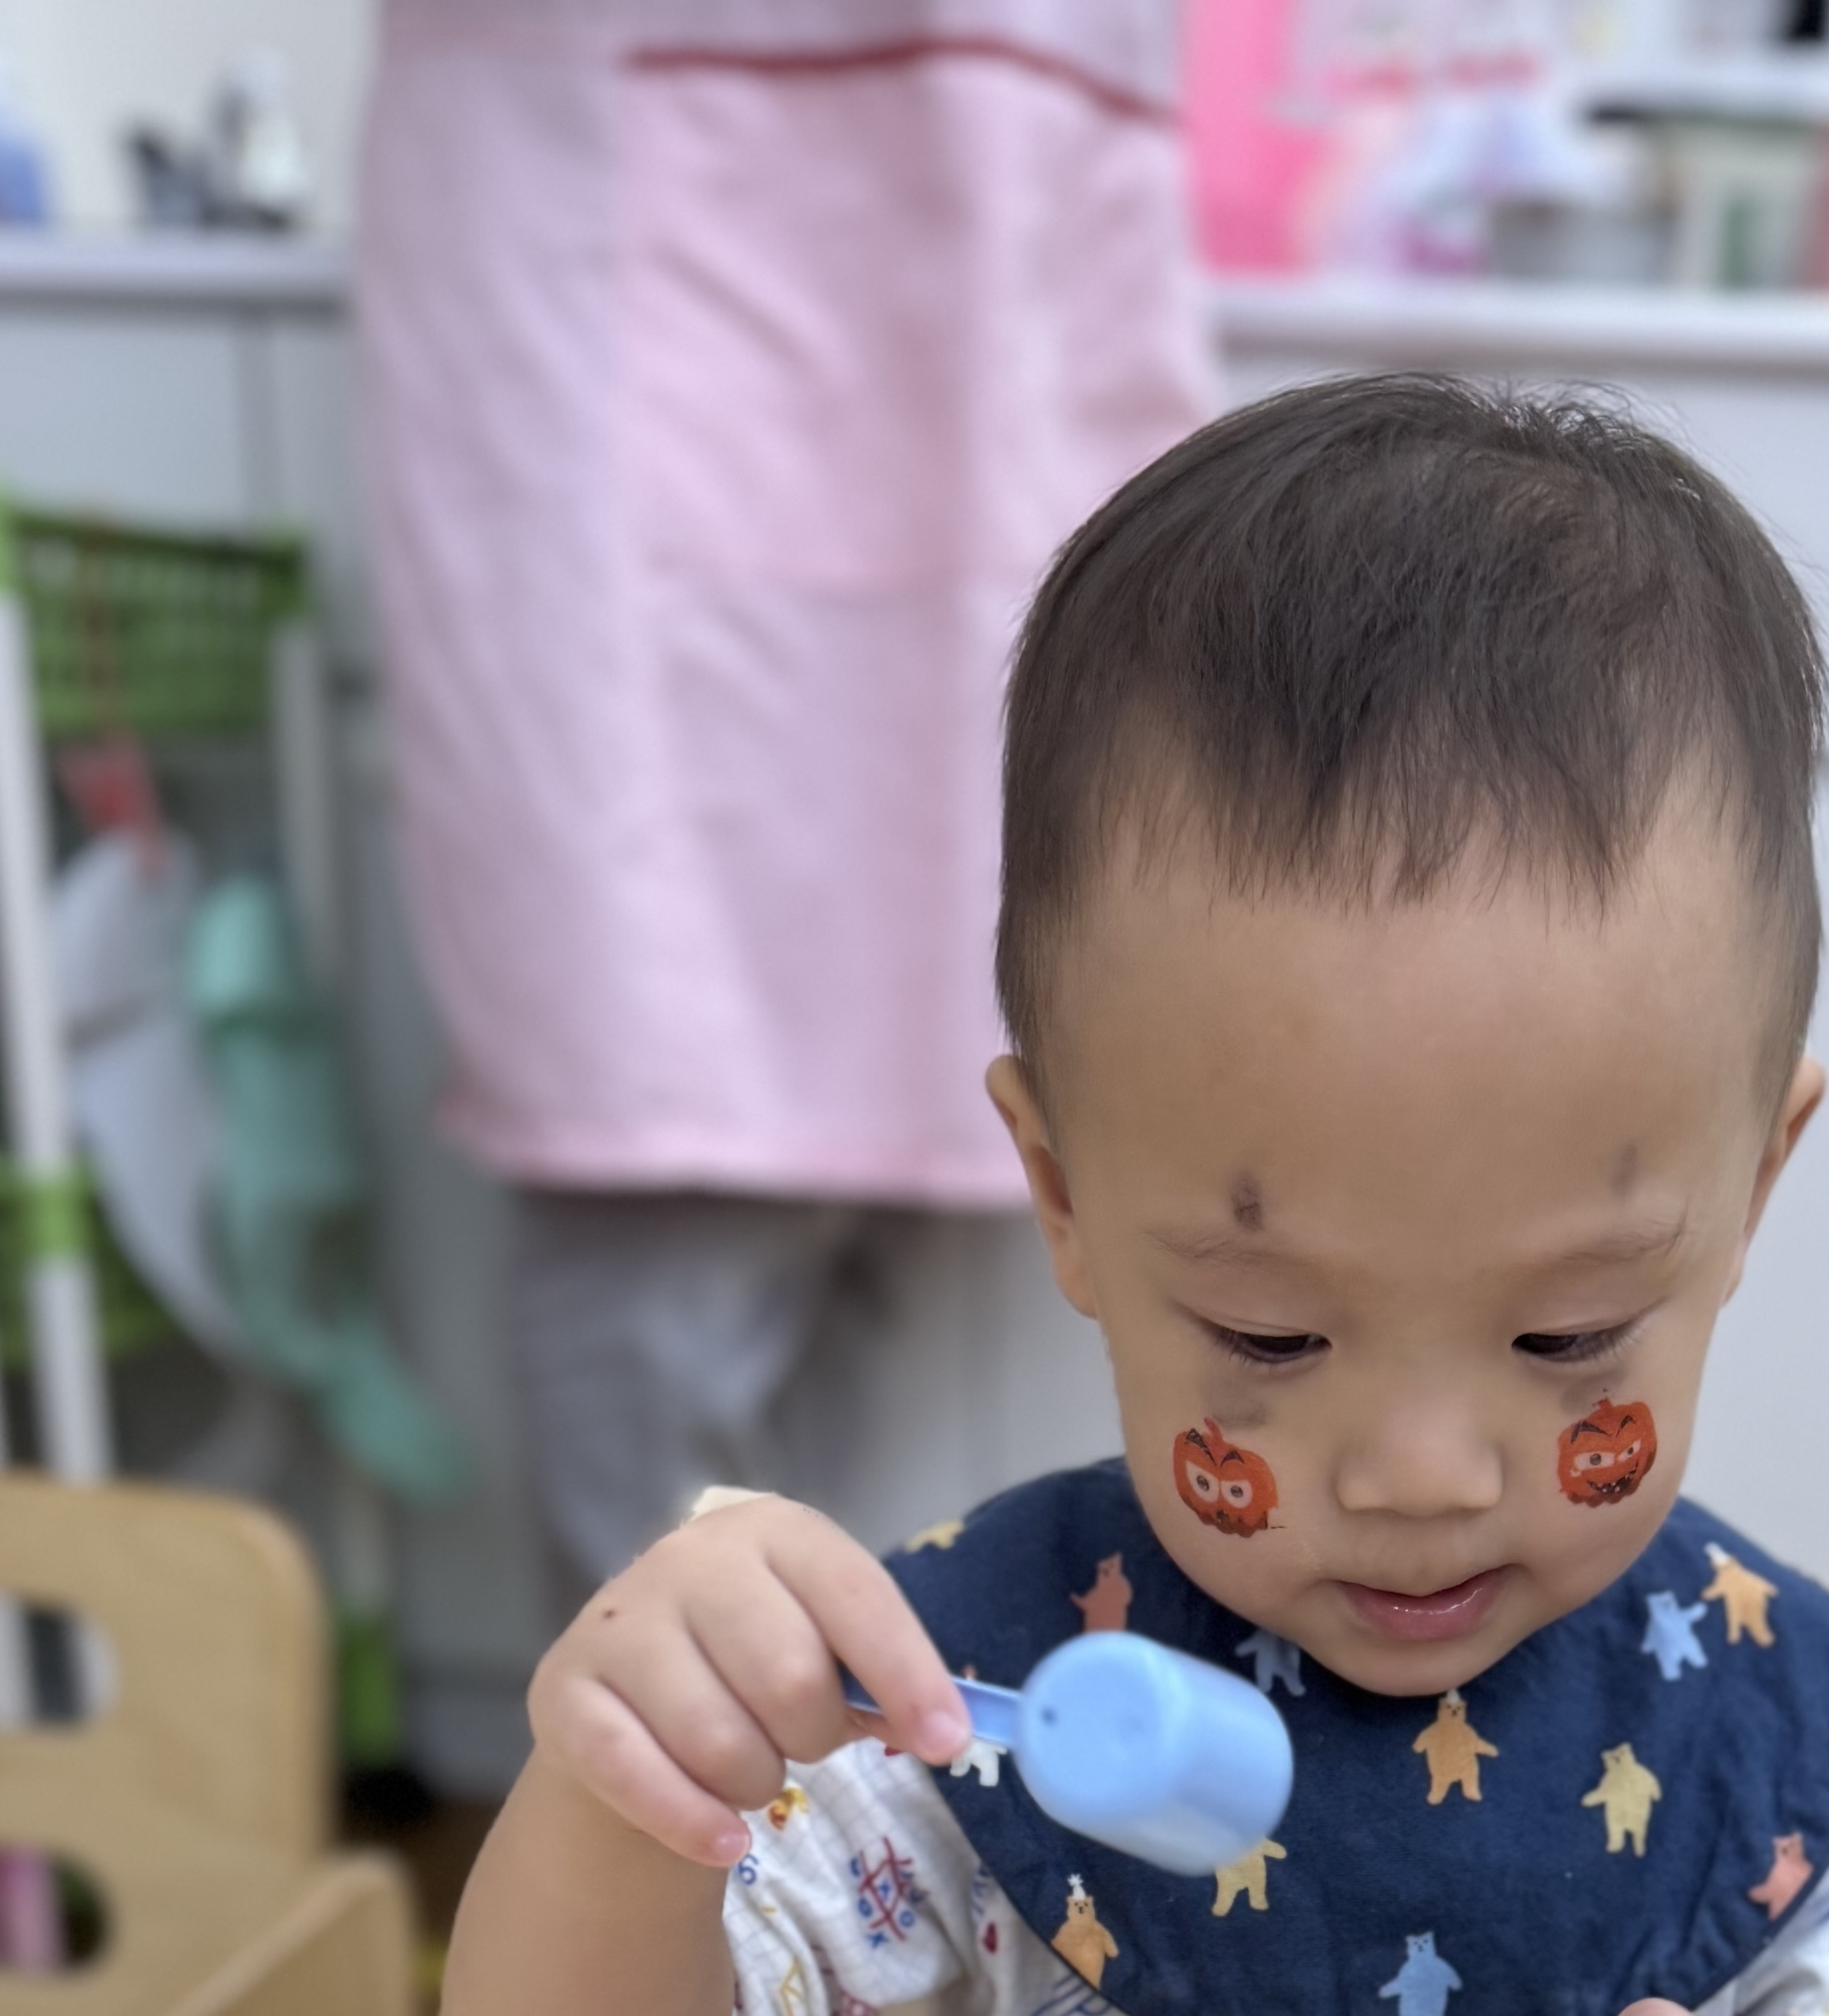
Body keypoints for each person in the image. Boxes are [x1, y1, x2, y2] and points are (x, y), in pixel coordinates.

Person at [440, 378, 1829, 2016]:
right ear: (1063, 1194)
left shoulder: (1772, 1724)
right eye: (1272, 1336)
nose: (1419, 1478)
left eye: (1568, 1333)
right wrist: (619, 1806)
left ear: (1750, 1191)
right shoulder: (974, 1688)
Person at [356, 0, 1209, 1597]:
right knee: (665, 1248)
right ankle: (676, 1754)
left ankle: (799, 1738)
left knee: (855, 1260)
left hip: (989, 228)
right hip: (599, 242)